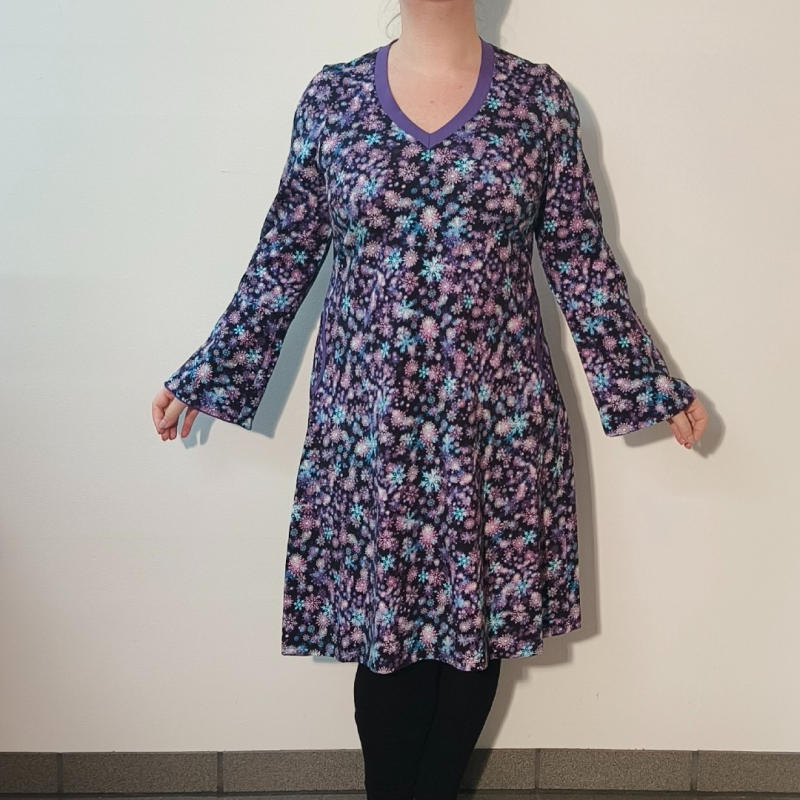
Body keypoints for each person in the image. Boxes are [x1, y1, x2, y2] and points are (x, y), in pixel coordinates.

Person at [151, 1, 707, 797]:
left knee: (472, 640)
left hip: (496, 431)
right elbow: (285, 253)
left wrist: (648, 382)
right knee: (389, 648)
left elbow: (581, 263)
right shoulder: (333, 99)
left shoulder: (538, 101)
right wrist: (211, 370)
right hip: (371, 435)